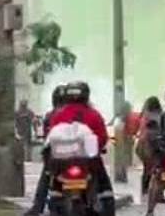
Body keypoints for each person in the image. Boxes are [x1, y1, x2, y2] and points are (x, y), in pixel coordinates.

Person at [47, 81, 115, 216]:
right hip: (89, 163)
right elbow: (102, 138)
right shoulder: (94, 115)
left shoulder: (58, 116)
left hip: (62, 164)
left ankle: (44, 203)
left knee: (52, 184)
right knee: (105, 191)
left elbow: (50, 139)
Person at [23, 85, 66, 216]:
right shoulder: (78, 113)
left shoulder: (50, 116)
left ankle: (38, 206)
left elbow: (47, 139)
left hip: (57, 158)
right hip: (75, 157)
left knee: (46, 177)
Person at [136, 97, 162, 197]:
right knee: (154, 167)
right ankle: (154, 190)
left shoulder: (143, 115)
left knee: (147, 168)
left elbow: (140, 130)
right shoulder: (159, 115)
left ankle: (145, 189)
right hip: (152, 144)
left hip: (141, 145)